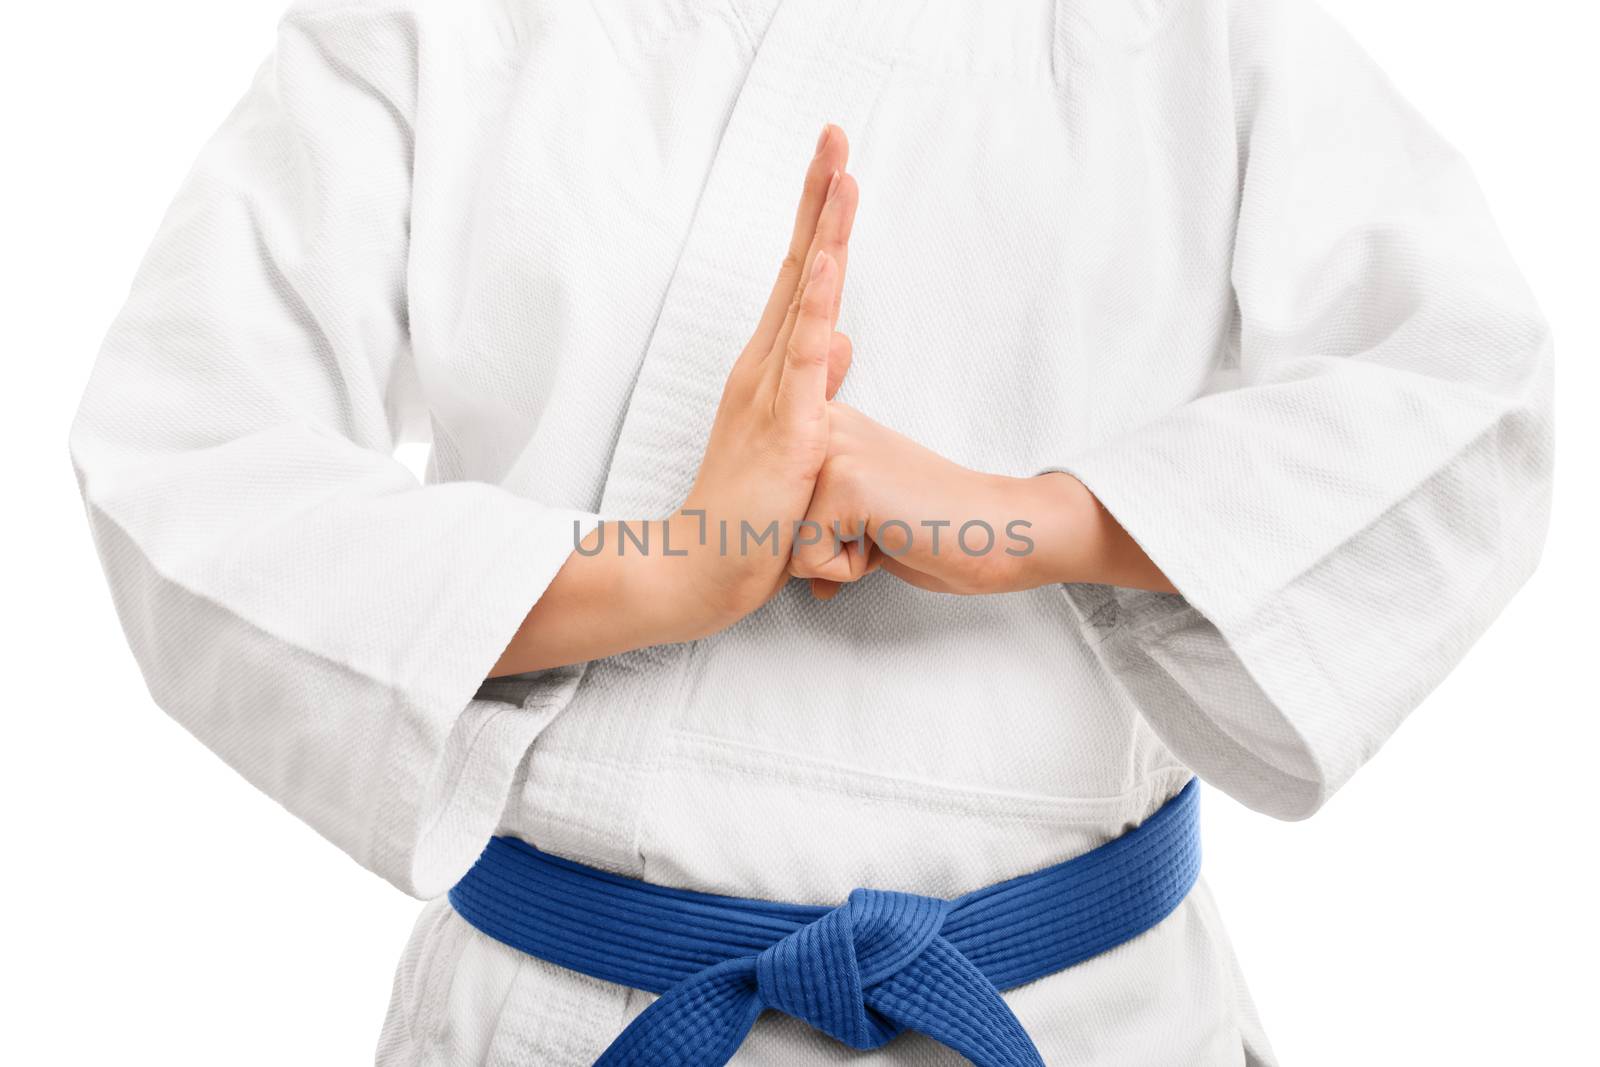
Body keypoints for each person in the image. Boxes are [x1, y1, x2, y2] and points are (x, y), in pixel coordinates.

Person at [68, 0, 1553, 1063]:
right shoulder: (430, 28)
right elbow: (183, 457)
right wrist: (662, 567)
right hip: (569, 1018)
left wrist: (1035, 522)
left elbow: (1466, 398)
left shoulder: (1192, 32)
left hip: (1075, 1014)